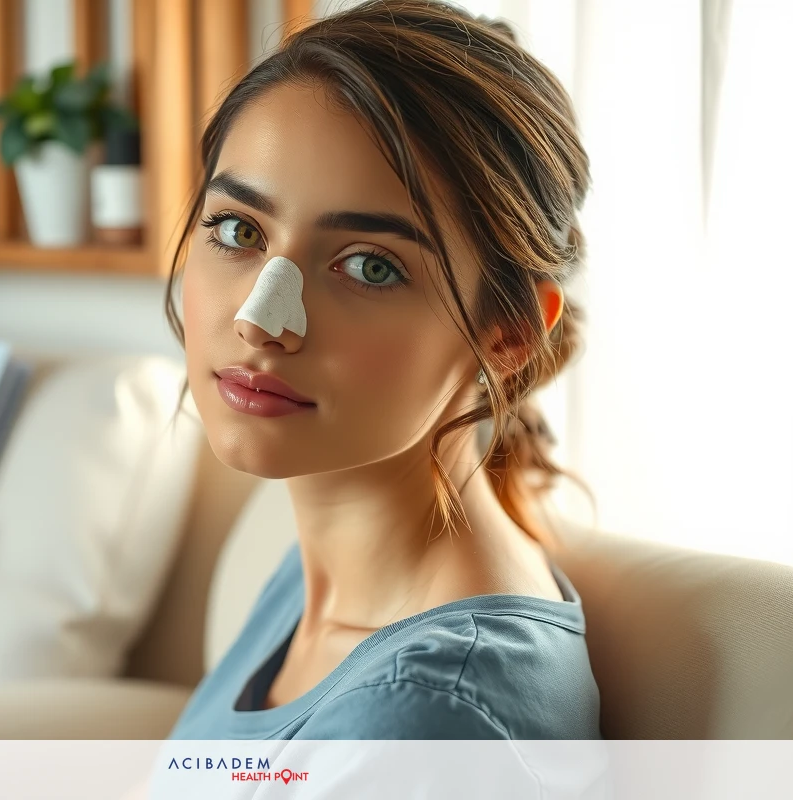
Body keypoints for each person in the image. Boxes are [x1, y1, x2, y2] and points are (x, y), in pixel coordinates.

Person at [164, 0, 600, 740]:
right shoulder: (318, 572)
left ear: (510, 332)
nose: (260, 319)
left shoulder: (429, 716)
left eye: (369, 266)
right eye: (239, 229)